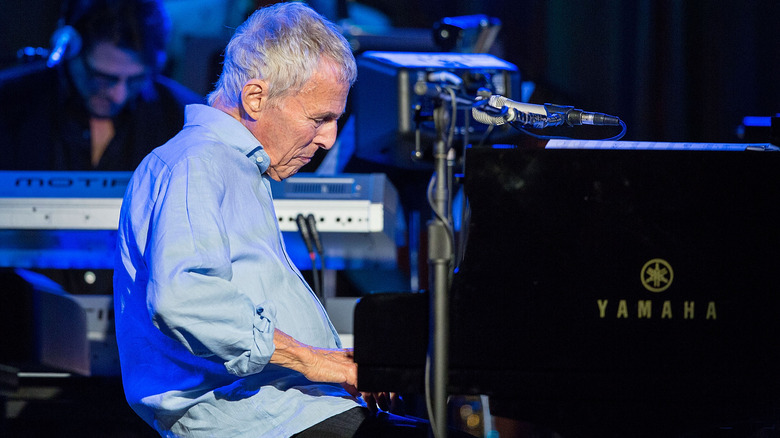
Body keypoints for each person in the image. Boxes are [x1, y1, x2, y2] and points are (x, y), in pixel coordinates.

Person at [113, 3, 474, 437]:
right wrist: (316, 361)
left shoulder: (234, 167)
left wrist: (337, 361)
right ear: (255, 97)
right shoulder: (197, 162)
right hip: (258, 421)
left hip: (285, 412)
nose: (328, 138)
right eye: (319, 118)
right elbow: (184, 299)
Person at [0, 0, 203, 171]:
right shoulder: (12, 106)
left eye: (135, 80)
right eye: (103, 78)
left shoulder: (185, 119)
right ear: (70, 49)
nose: (119, 95)